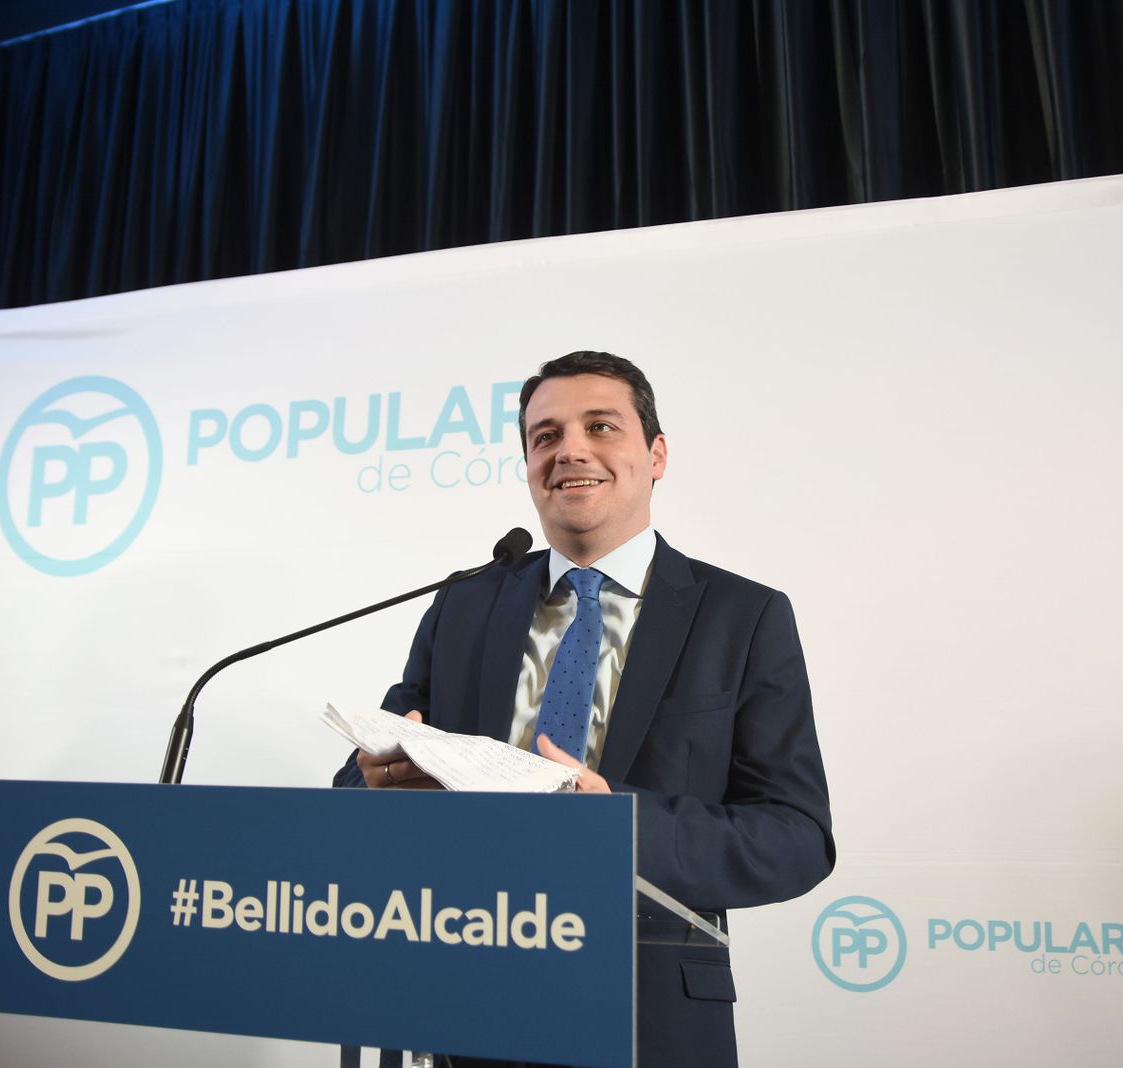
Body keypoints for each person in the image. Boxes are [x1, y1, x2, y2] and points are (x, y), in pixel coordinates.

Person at [335, 351, 834, 1067]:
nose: (569, 449)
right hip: (456, 1001)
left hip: (646, 1017)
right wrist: (384, 787)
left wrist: (618, 826)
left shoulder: (742, 616)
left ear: (656, 455)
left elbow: (795, 837)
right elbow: (355, 783)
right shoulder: (465, 604)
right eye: (545, 436)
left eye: (601, 427)